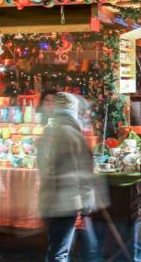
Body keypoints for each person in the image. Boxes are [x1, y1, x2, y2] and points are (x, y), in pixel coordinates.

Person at [37, 92, 106, 262]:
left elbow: (42, 165)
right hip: (66, 201)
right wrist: (86, 201)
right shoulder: (73, 135)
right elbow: (81, 171)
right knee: (60, 251)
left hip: (50, 199)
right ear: (73, 111)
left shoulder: (49, 132)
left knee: (57, 247)